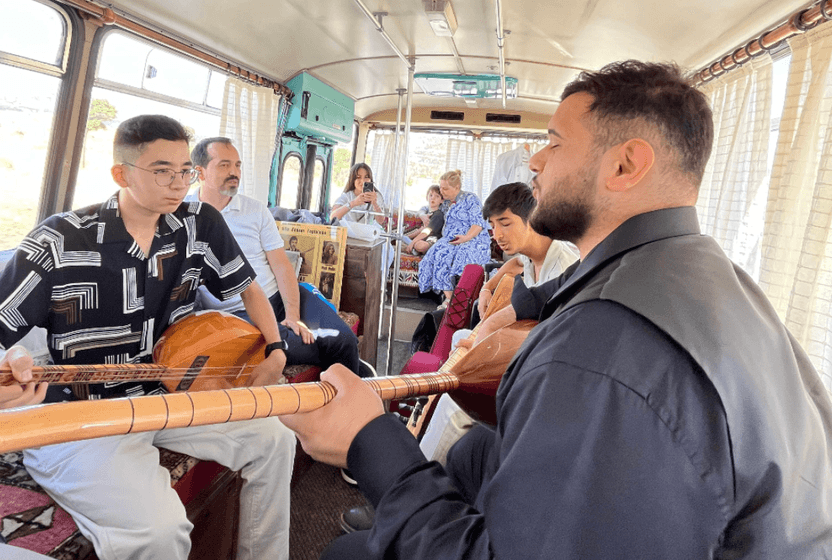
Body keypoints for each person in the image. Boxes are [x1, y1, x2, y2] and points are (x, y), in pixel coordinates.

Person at [279, 61, 832, 559]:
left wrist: (369, 441)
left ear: (625, 165)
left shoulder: (606, 347)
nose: (535, 159)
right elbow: (539, 298)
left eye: (554, 143)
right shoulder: (697, 271)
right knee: (475, 447)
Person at [0, 115, 296, 560]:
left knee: (276, 440)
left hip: (169, 394)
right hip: (82, 414)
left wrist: (275, 349)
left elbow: (248, 286)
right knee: (162, 532)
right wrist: (16, 361)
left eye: (185, 171)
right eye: (162, 171)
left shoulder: (199, 222)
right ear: (121, 173)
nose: (178, 184)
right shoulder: (61, 239)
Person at [186, 137, 360, 374]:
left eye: (237, 165)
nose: (234, 172)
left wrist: (292, 316)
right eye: (224, 165)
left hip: (278, 295)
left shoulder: (255, 210)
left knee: (343, 340)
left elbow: (281, 265)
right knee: (282, 347)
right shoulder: (183, 214)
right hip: (237, 314)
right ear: (200, 172)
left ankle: (350, 400)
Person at [417, 170, 491, 305]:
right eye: (440, 188)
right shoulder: (446, 203)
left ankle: (459, 299)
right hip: (451, 239)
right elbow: (426, 207)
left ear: (457, 187)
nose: (442, 191)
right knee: (438, 253)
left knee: (462, 256)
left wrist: (466, 237)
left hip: (473, 237)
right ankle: (449, 298)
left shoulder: (471, 199)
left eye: (445, 188)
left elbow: (478, 224)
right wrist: (422, 214)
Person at [405, 185, 445, 255]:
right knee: (403, 240)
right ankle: (410, 246)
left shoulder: (438, 214)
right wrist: (408, 237)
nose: (433, 198)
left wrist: (412, 242)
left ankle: (413, 246)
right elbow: (423, 229)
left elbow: (427, 231)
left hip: (432, 240)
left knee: (420, 245)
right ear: (427, 197)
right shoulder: (428, 214)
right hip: (423, 239)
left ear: (442, 200)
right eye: (431, 195)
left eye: (437, 196)